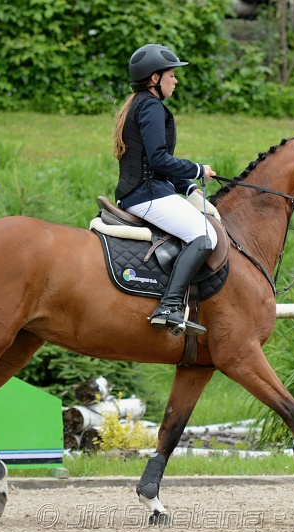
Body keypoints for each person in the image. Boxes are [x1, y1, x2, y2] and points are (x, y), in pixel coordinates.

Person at [113, 43, 217, 336]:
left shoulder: (142, 104)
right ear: (155, 78)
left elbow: (156, 163)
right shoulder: (151, 107)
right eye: (172, 74)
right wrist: (197, 167)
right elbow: (159, 158)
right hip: (146, 195)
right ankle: (169, 306)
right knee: (205, 235)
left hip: (148, 190)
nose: (176, 80)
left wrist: (190, 186)